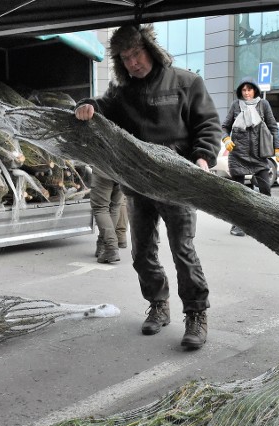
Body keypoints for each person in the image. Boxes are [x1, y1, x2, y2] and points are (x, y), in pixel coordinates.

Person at [74, 24, 221, 350]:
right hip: (138, 186)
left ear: (151, 49)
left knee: (183, 251)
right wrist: (85, 105)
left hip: (177, 184)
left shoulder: (186, 82)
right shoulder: (122, 92)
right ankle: (158, 304)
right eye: (124, 58)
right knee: (142, 254)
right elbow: (99, 105)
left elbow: (208, 124)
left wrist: (202, 158)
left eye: (136, 54)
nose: (132, 63)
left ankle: (196, 314)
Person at [221, 78, 279, 237]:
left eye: (249, 89)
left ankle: (267, 223)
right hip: (237, 154)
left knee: (265, 189)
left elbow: (273, 126)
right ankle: (238, 225)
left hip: (258, 154)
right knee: (238, 193)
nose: (246, 93)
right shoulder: (235, 105)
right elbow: (225, 126)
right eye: (244, 90)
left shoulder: (264, 105)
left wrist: (278, 148)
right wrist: (226, 139)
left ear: (255, 90)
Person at [90, 169, 127, 263]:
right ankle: (103, 245)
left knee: (100, 208)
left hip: (103, 169)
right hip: (122, 172)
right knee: (114, 207)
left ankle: (111, 247)